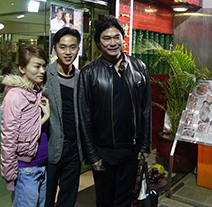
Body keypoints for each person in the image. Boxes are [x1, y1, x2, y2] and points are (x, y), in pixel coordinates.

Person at [78, 15, 152, 207]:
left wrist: (145, 145)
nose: (112, 43)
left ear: (123, 38)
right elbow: (84, 118)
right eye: (106, 38)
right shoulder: (88, 73)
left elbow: (146, 110)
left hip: (131, 149)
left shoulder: (139, 67)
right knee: (104, 200)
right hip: (104, 151)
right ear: (98, 43)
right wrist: (92, 155)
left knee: (126, 199)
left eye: (116, 37)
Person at [0, 44, 50, 207]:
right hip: (26, 168)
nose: (42, 71)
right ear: (22, 68)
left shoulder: (35, 92)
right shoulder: (15, 96)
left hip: (40, 163)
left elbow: (30, 128)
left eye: (44, 66)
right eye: (37, 66)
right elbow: (8, 138)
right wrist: (9, 176)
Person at [44, 27, 83, 207]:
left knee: (68, 197)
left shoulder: (81, 77)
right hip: (51, 146)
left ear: (78, 49)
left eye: (72, 47)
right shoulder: (44, 76)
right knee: (46, 197)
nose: (68, 52)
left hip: (74, 148)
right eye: (63, 47)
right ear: (55, 49)